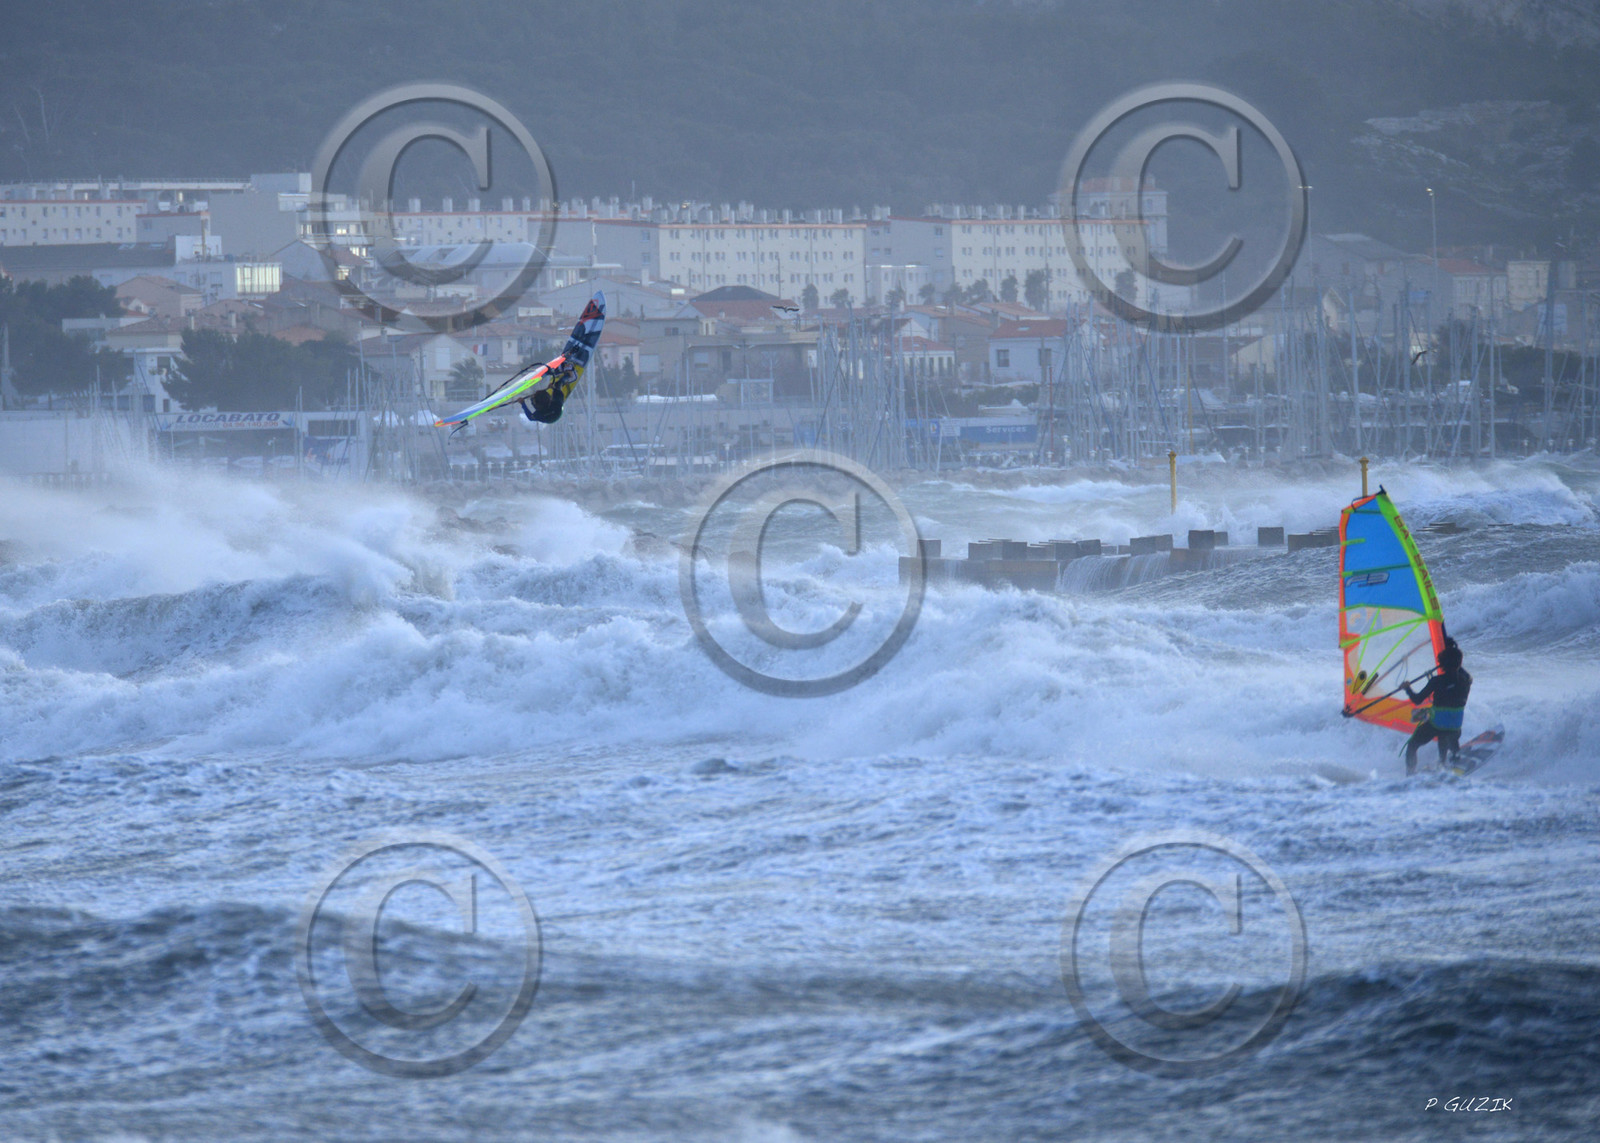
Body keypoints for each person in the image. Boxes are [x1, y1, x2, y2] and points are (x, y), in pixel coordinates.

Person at [1402, 640, 1472, 774]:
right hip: (1455, 725)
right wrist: (1453, 650)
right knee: (1447, 735)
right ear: (1460, 663)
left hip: (1436, 725)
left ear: (1441, 664)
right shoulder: (1466, 680)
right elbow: (1458, 667)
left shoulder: (1436, 681)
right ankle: (1450, 759)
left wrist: (1407, 688)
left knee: (1412, 745)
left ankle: (1410, 773)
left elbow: (1417, 700)